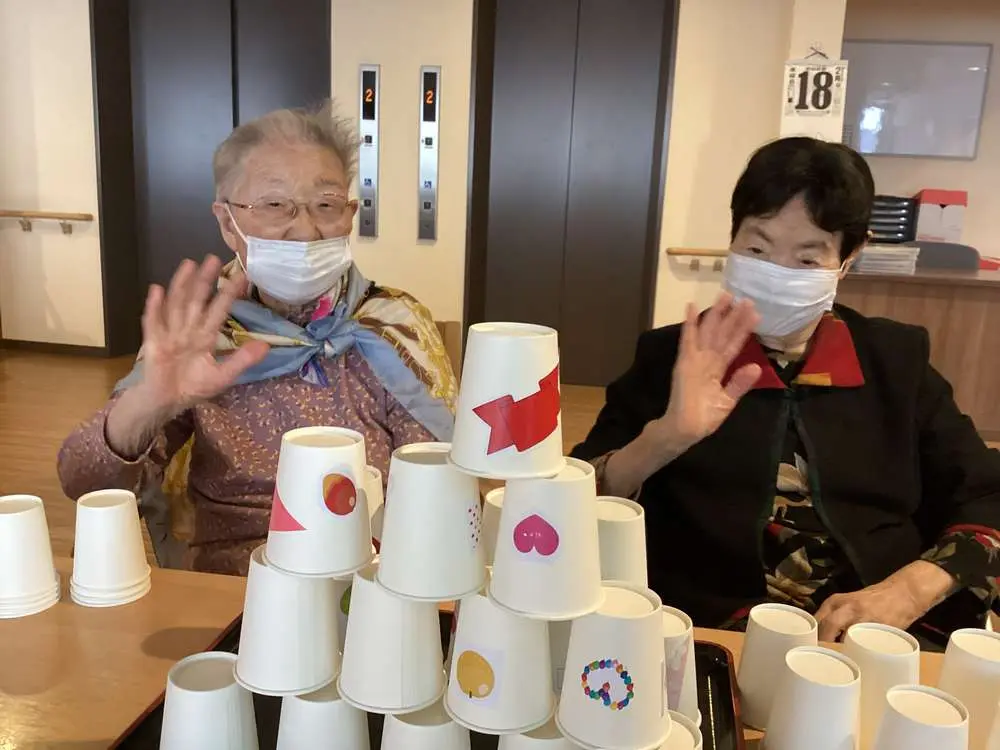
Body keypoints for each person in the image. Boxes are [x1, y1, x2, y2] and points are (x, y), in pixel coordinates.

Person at [573, 137, 1000, 645]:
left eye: (806, 259)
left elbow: (985, 494)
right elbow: (575, 500)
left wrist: (907, 591)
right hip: (717, 630)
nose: (776, 273)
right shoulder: (670, 356)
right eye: (757, 249)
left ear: (848, 258)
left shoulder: (895, 360)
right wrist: (665, 437)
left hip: (875, 630)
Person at [58, 102, 457, 575]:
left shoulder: (392, 326)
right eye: (274, 205)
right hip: (234, 582)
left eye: (326, 204)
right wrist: (147, 403)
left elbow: (440, 488)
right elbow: (85, 485)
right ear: (228, 223)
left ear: (350, 214)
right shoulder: (199, 336)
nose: (305, 230)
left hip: (371, 572)